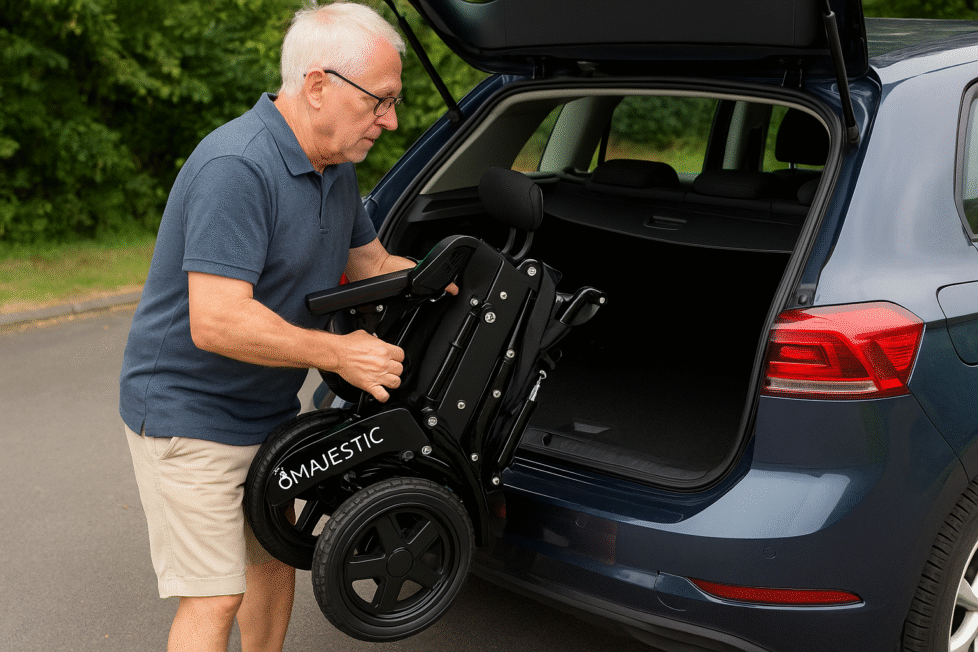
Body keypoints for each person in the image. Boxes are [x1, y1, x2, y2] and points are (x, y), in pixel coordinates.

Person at [119, 3, 429, 650]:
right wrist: (341, 355)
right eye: (381, 101)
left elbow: (371, 263)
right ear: (318, 86)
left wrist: (454, 277)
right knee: (215, 594)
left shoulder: (334, 166)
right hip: (188, 414)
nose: (390, 120)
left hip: (265, 414)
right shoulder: (237, 167)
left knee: (271, 563)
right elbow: (216, 320)